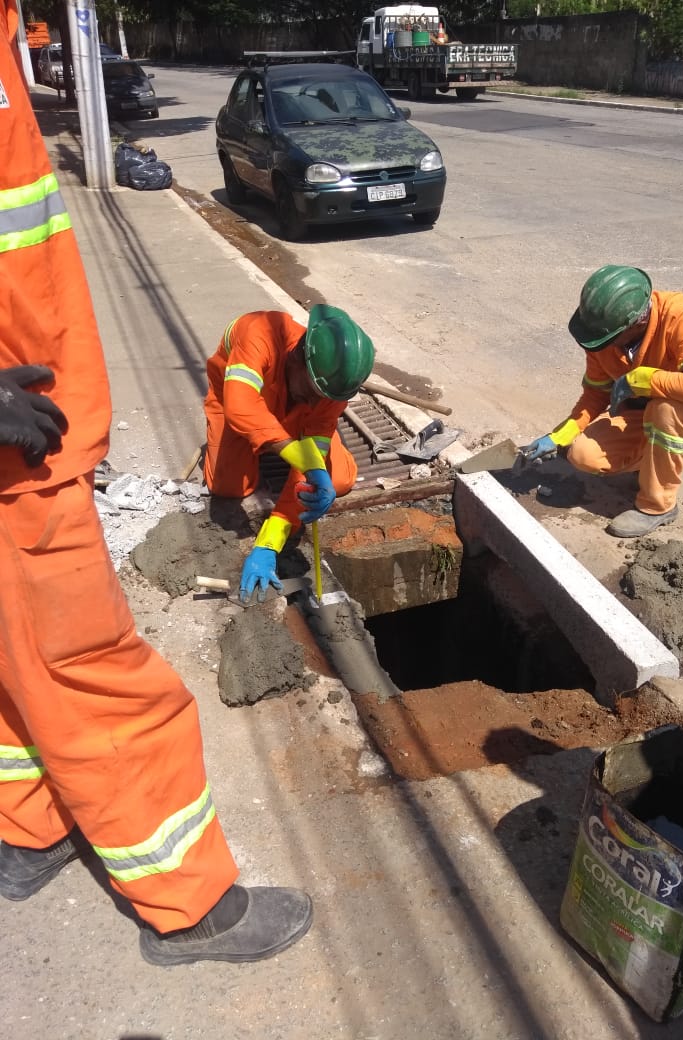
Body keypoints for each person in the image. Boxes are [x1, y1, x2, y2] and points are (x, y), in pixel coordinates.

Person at [0, 0, 312, 965]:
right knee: (98, 673)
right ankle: (193, 903)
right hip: (21, 456)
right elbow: (256, 426)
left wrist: (298, 499)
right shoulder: (260, 348)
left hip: (33, 434)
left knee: (16, 663)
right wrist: (262, 529)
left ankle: (28, 824)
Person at [521, 264, 683, 538]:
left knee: (666, 410)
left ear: (636, 322)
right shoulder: (603, 338)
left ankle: (657, 506)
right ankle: (653, 464)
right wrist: (560, 435)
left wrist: (643, 379)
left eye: (608, 339)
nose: (601, 346)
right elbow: (595, 394)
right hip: (646, 412)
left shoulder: (682, 316)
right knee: (583, 455)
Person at [203, 306, 375, 600]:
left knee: (339, 481)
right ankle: (263, 438)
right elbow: (240, 406)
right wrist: (295, 453)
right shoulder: (259, 332)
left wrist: (269, 542)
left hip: (290, 413)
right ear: (298, 359)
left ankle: (276, 439)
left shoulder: (330, 389)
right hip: (237, 399)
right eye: (312, 394)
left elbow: (313, 446)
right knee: (227, 486)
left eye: (324, 399)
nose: (316, 403)